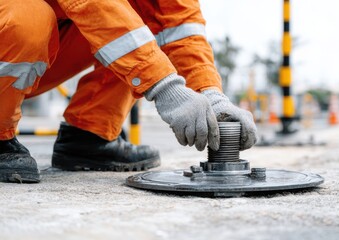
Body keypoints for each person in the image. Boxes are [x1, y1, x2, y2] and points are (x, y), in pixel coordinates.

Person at [0, 0, 257, 183]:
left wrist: (211, 94)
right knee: (27, 18)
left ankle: (90, 134)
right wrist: (167, 88)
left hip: (37, 51)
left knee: (145, 12)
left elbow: (179, 24)